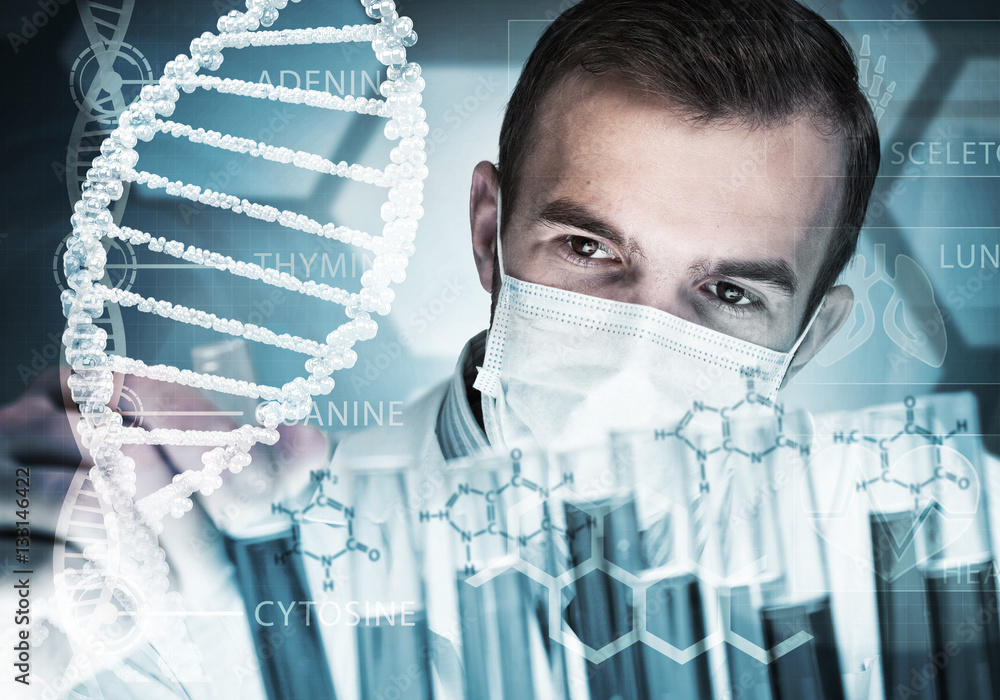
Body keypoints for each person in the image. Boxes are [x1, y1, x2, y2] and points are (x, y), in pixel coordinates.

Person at [1, 0, 882, 697]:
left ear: (807, 340)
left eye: (730, 294)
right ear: (489, 232)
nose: (636, 358)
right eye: (590, 250)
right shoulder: (207, 570)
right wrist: (27, 632)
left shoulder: (900, 605)